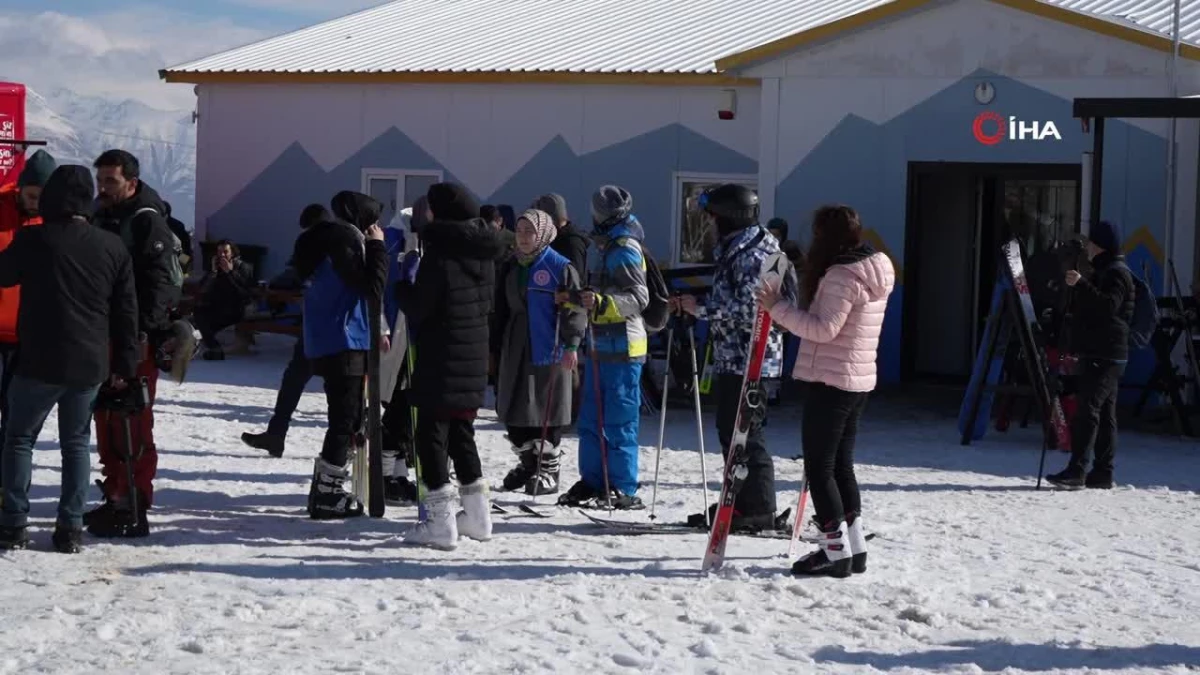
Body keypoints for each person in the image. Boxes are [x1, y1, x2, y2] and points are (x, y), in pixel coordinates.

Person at [0, 165, 139, 553]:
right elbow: (127, 313)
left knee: (19, 439)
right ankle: (70, 527)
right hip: (90, 362)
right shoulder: (111, 246)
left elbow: (4, 275)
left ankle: (13, 524)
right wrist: (125, 366)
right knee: (76, 443)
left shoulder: (33, 239)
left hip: (38, 359)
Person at [756, 204, 895, 578]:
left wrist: (776, 308)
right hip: (858, 378)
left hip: (831, 380)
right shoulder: (877, 267)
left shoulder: (841, 276)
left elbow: (823, 329)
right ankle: (855, 547)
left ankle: (834, 553)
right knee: (840, 465)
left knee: (820, 468)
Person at [675, 184, 796, 532]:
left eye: (713, 216)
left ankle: (757, 507)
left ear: (730, 216)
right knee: (732, 431)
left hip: (753, 358)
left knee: (746, 433)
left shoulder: (757, 254)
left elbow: (754, 309)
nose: (710, 223)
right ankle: (739, 502)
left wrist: (701, 309)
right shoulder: (740, 248)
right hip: (735, 357)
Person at [396, 182, 505, 549]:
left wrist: (403, 285)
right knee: (462, 432)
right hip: (472, 355)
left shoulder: (439, 254)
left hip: (441, 354)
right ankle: (478, 517)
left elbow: (420, 307)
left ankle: (440, 524)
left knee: (431, 435)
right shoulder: (484, 252)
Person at [84, 149, 184, 538]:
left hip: (134, 339)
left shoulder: (146, 223)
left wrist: (142, 334)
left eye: (111, 180)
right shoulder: (105, 216)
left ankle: (135, 501)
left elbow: (163, 286)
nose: (103, 187)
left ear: (132, 182)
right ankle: (116, 493)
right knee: (107, 417)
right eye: (100, 180)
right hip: (105, 335)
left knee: (132, 420)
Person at [291, 191, 389, 519]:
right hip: (344, 337)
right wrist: (377, 247)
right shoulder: (345, 241)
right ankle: (326, 494)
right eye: (373, 220)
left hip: (331, 337)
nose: (376, 227)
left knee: (348, 417)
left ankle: (327, 488)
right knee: (344, 419)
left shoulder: (327, 238)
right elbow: (371, 287)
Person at [557, 185, 649, 510]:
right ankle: (594, 480)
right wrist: (577, 298)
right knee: (591, 419)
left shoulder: (624, 248)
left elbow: (639, 298)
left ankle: (624, 485)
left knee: (620, 420)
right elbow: (600, 292)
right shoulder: (605, 245)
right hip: (600, 345)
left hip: (624, 347)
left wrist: (601, 302)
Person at [493, 209, 586, 495]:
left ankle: (549, 469)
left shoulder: (559, 266)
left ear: (543, 234)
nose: (522, 238)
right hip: (517, 340)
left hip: (549, 340)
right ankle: (529, 462)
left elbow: (575, 307)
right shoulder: (512, 265)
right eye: (519, 231)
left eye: (529, 232)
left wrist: (572, 344)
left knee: (548, 405)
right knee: (516, 404)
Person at [1046, 220, 1134, 490]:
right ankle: (1102, 473)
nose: (1087, 248)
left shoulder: (1116, 273)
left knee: (1088, 411)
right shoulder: (1107, 270)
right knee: (1105, 414)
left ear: (1100, 245)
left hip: (1105, 352)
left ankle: (1077, 470)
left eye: (1090, 243)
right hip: (1107, 351)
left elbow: (1108, 306)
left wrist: (1082, 284)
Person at [241, 204, 327, 457]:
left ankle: (278, 434)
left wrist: (277, 286)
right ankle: (276, 435)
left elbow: (293, 275)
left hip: (319, 327)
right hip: (337, 328)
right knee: (315, 383)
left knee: (297, 381)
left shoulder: (312, 244)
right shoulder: (348, 241)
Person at [0, 149, 54, 463]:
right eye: (32, 195)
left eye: (43, 197)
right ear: (20, 189)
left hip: (31, 337)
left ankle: (8, 482)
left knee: (18, 419)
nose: (37, 202)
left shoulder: (55, 220)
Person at [193, 239, 255, 360]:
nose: (222, 255)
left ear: (232, 253)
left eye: (225, 252)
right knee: (199, 312)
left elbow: (244, 291)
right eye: (219, 252)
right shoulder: (216, 268)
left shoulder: (243, 267)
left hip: (236, 308)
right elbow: (202, 288)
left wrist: (230, 272)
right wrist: (213, 272)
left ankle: (213, 345)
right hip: (218, 307)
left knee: (207, 327)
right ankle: (214, 346)